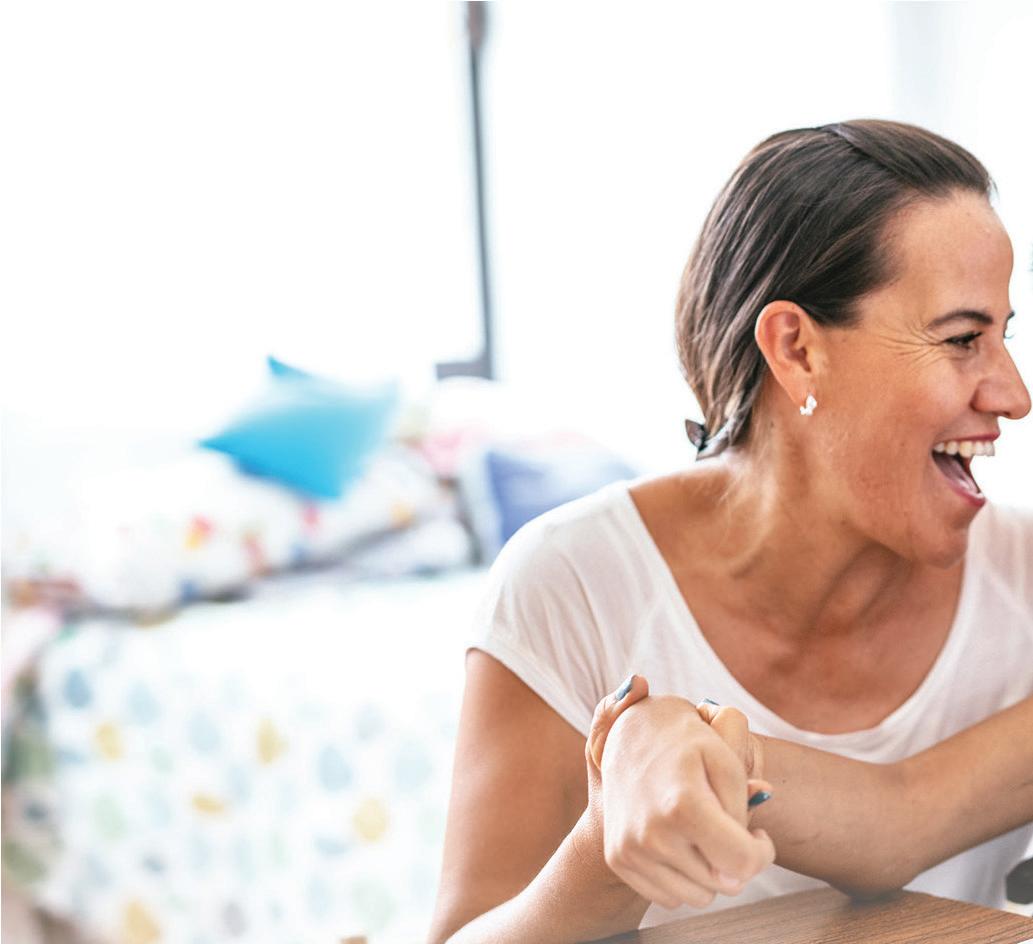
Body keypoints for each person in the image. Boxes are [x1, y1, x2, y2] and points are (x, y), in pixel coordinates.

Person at [426, 119, 1033, 944]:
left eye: (1003, 335)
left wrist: (675, 741)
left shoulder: (1022, 579)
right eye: (962, 339)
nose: (1012, 394)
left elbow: (897, 820)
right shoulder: (569, 583)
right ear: (796, 349)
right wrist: (613, 827)